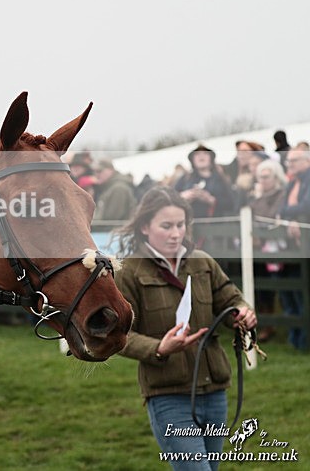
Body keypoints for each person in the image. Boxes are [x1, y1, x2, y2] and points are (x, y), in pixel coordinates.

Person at [113, 186, 256, 471]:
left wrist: (241, 314)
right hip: (168, 395)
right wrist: (158, 348)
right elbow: (117, 335)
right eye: (166, 226)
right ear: (144, 227)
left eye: (181, 225)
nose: (176, 233)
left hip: (214, 390)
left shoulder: (203, 262)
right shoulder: (128, 272)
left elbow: (231, 299)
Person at [249, 159, 288, 342]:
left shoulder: (281, 194)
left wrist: (259, 199)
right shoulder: (257, 196)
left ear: (276, 177)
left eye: (266, 177)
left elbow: (268, 216)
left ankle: (285, 328)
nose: (263, 180)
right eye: (260, 177)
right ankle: (265, 324)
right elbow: (248, 214)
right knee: (260, 289)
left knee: (279, 289)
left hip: (277, 250)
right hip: (257, 249)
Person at [276, 147, 310, 349]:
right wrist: (291, 217)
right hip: (295, 246)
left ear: (307, 161)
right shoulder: (292, 182)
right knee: (293, 292)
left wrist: (290, 215)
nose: (290, 164)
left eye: (294, 160)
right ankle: (298, 340)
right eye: (288, 161)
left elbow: (306, 206)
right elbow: (281, 209)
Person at [173, 144, 236, 219]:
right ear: (192, 159)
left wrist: (211, 200)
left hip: (216, 223)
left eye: (205, 153)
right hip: (190, 223)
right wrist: (182, 197)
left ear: (211, 158)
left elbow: (232, 203)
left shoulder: (221, 179)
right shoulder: (185, 179)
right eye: (197, 154)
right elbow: (171, 199)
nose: (201, 156)